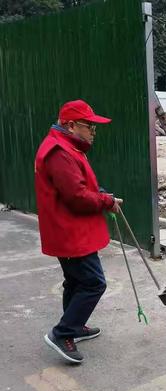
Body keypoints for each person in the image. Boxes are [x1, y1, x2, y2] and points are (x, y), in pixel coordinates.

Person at [35, 100, 122, 364]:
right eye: (90, 126)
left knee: (75, 281)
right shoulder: (59, 152)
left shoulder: (68, 147)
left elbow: (79, 186)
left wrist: (101, 193)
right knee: (94, 283)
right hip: (69, 231)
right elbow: (76, 197)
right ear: (71, 125)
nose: (93, 131)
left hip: (70, 229)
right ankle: (63, 333)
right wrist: (106, 201)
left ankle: (74, 327)